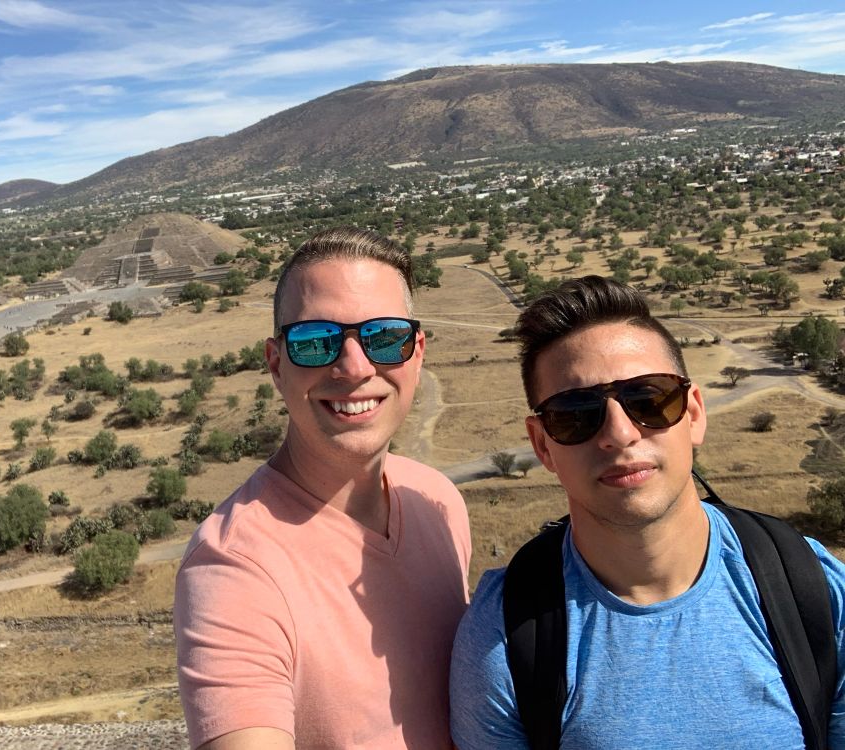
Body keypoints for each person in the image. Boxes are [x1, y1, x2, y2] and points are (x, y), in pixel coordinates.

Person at [450, 275, 845, 748]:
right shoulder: (504, 637)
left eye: (648, 399)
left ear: (694, 413)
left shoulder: (811, 588)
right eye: (575, 413)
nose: (619, 433)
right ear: (543, 445)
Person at [174, 227, 471, 749]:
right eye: (316, 342)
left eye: (384, 337)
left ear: (417, 352)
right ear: (275, 363)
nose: (354, 368)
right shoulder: (233, 568)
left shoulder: (438, 501)